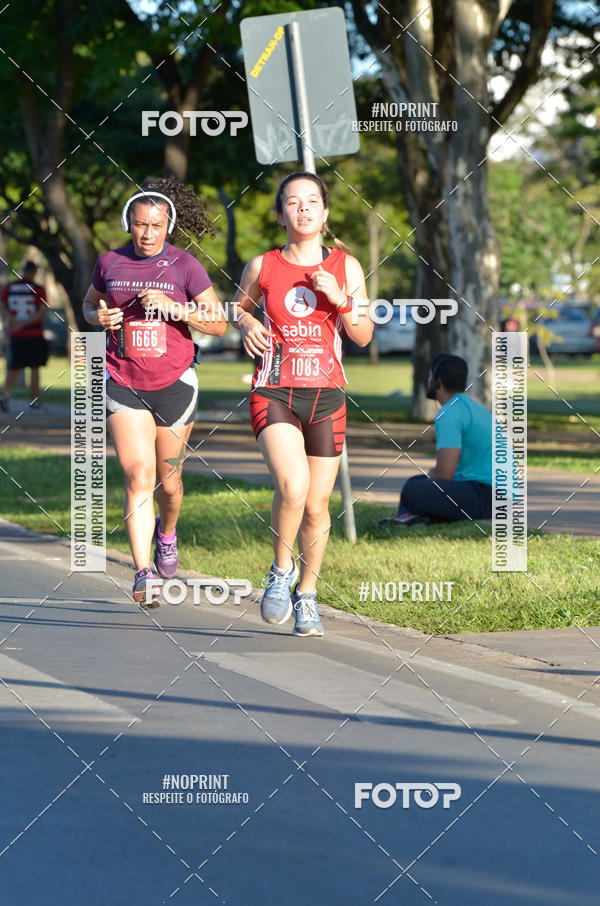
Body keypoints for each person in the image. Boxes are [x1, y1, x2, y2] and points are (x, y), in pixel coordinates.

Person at [232, 171, 373, 637]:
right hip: (273, 390)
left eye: (313, 201)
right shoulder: (263, 265)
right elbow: (239, 307)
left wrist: (340, 300)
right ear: (280, 214)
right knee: (292, 487)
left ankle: (307, 593)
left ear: (326, 212)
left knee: (315, 506)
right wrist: (247, 324)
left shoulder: (346, 266)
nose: (304, 209)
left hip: (327, 395)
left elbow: (363, 333)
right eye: (293, 202)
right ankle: (279, 572)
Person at [82, 177, 226, 605]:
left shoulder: (185, 265)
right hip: (124, 380)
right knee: (138, 475)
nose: (147, 233)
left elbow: (218, 323)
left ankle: (167, 533)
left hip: (175, 383)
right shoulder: (109, 262)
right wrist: (98, 317)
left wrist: (176, 308)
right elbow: (90, 304)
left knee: (169, 481)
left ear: (169, 226)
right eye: (140, 224)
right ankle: (143, 572)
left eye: (156, 225)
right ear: (130, 224)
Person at [398, 354, 493, 524]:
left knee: (412, 489)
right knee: (420, 482)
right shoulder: (470, 406)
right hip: (497, 497)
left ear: (437, 382)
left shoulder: (449, 413)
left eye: (429, 376)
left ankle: (410, 519)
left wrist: (432, 475)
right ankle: (415, 517)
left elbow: (445, 474)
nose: (428, 381)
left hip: (486, 497)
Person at [1, 261, 49, 411]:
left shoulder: (9, 288)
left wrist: (14, 321)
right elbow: (43, 310)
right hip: (34, 332)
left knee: (15, 366)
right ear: (34, 272)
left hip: (17, 333)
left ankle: (4, 395)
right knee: (34, 367)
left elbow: (2, 306)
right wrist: (26, 322)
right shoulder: (38, 289)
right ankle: (35, 400)